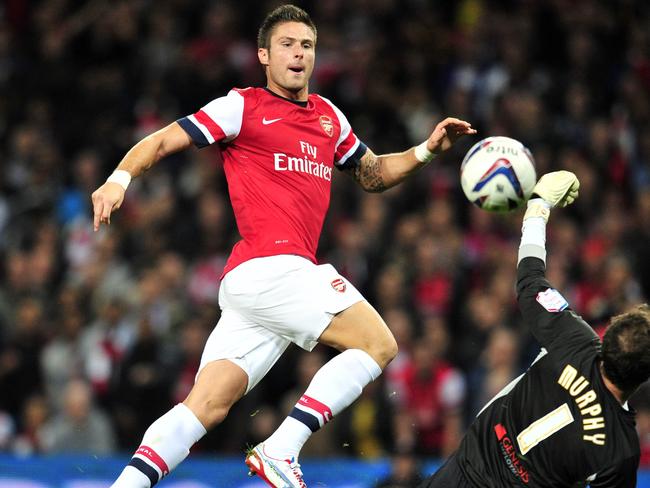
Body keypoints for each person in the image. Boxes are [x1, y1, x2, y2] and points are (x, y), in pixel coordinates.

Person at [90, 5, 476, 488]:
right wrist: (118, 179)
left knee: (206, 405)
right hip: (274, 269)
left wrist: (425, 151)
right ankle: (281, 448)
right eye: (288, 45)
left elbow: (373, 173)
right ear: (264, 56)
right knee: (379, 344)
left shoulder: (329, 118)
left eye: (307, 45)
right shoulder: (241, 106)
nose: (299, 54)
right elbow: (166, 139)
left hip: (255, 287)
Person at [420, 171, 649, 487]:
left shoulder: (574, 337)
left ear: (605, 337)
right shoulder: (621, 451)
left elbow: (530, 279)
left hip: (459, 473)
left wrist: (538, 208)